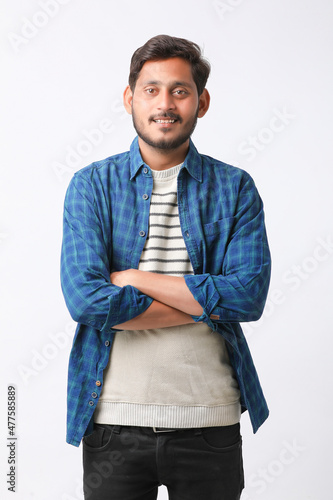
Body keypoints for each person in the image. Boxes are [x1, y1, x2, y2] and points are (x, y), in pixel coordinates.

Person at [60, 34, 271, 500]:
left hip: (209, 423)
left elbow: (248, 296)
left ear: (202, 101)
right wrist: (205, 304)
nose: (165, 103)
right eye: (151, 89)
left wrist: (136, 280)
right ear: (129, 98)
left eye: (180, 90)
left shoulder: (235, 188)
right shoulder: (91, 186)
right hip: (112, 423)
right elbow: (87, 300)